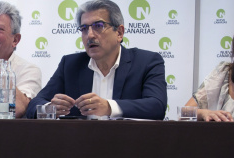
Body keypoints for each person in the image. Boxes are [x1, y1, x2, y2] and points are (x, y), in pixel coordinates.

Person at [26, 0, 167, 120]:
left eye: (98, 26)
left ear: (119, 32)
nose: (90, 35)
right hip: (80, 146)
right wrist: (49, 109)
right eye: (84, 28)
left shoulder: (147, 62)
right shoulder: (70, 65)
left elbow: (157, 106)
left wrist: (109, 107)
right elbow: (33, 105)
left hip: (128, 146)